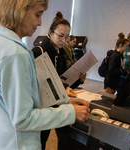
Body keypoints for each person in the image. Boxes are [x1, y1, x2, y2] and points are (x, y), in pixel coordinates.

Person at [0, 0, 90, 150]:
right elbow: (23, 119)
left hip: (4, 134)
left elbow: (25, 95)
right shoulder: (15, 53)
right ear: (19, 11)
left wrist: (63, 102)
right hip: (20, 143)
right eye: (37, 15)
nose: (39, 23)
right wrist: (69, 113)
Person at [32, 12, 88, 150]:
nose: (63, 40)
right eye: (60, 36)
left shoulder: (61, 54)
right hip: (39, 108)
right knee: (37, 141)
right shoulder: (38, 52)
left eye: (66, 37)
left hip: (53, 104)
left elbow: (62, 81)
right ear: (50, 33)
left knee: (44, 139)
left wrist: (77, 82)